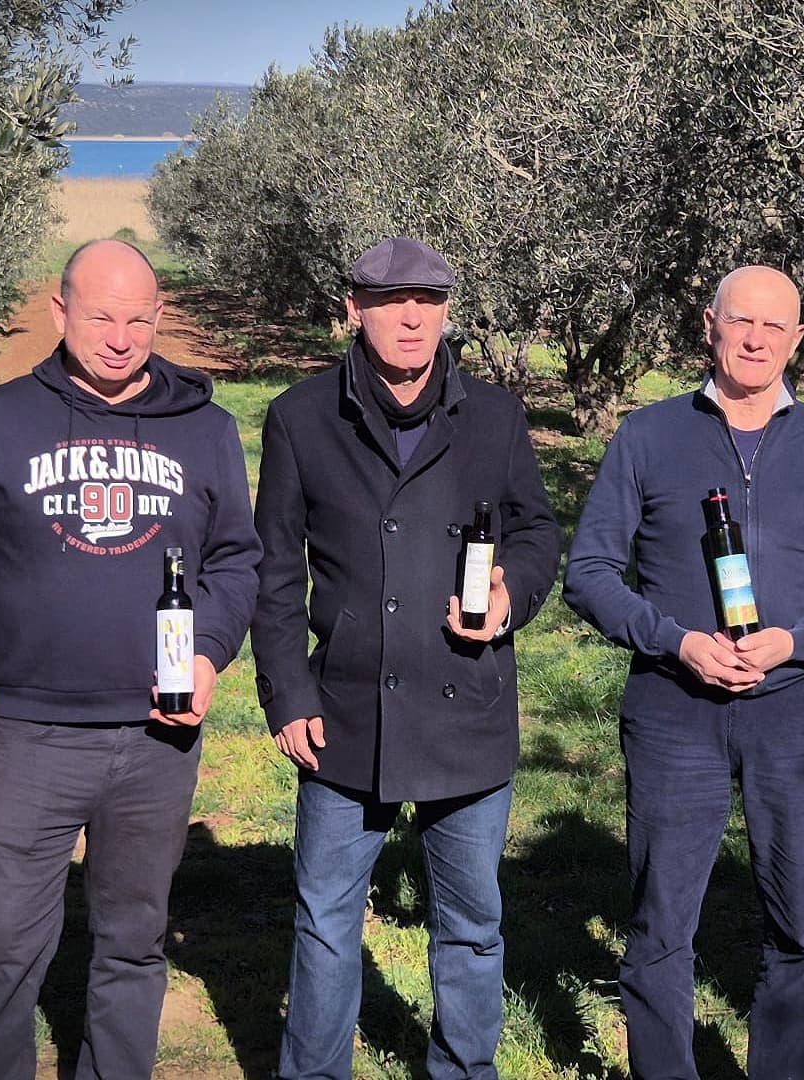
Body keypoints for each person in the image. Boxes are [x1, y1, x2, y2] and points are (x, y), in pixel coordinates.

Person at [0, 238, 261, 1079]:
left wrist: (209, 651)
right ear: (59, 311)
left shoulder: (207, 430)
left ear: (160, 318)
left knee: (134, 942)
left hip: (159, 737)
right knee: (3, 942)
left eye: (138, 320)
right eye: (101, 317)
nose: (119, 338)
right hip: (34, 732)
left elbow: (236, 561)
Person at [563, 265, 804, 1079]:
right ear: (708, 325)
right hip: (674, 709)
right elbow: (590, 573)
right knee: (661, 925)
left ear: (798, 339)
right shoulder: (649, 436)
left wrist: (798, 642)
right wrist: (675, 642)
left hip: (796, 713)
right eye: (741, 320)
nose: (755, 339)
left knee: (799, 923)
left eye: (775, 326)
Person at [251, 236, 562, 1079]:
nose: (412, 317)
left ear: (447, 311)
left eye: (428, 300)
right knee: (325, 921)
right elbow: (273, 570)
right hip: (344, 713)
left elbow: (537, 531)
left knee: (471, 924)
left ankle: (464, 1071)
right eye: (392, 301)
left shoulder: (494, 416)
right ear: (354, 310)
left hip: (467, 705)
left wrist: (509, 594)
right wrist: (287, 694)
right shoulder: (301, 417)